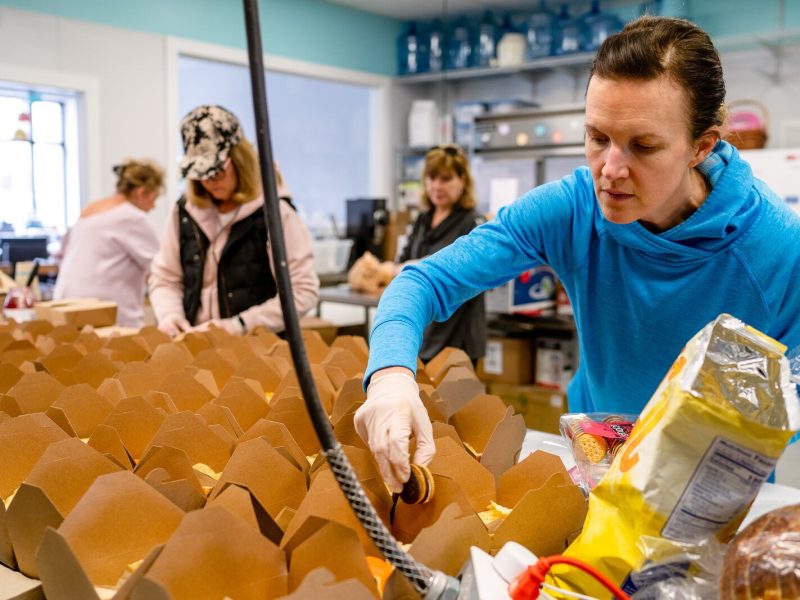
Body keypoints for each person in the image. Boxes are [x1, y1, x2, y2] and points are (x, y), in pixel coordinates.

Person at [355, 15, 800, 492]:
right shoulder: (572, 209)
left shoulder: (772, 244)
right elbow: (422, 282)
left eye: (643, 146)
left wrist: (726, 427)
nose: (609, 170)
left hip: (714, 488)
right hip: (597, 465)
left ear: (701, 146)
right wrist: (390, 377)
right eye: (597, 137)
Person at [149, 104, 319, 337]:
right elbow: (165, 278)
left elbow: (302, 292)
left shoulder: (276, 214)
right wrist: (170, 315)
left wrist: (240, 325)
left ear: (239, 160)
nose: (210, 182)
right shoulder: (183, 213)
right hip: (195, 347)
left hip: (260, 352)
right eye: (201, 176)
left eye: (217, 172)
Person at [396, 145, 486, 363]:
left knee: (454, 396)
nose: (436, 186)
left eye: (445, 179)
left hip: (457, 335)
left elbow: (465, 272)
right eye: (431, 178)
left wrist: (413, 267)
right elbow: (402, 260)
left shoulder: (473, 223)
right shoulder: (423, 219)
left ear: (462, 180)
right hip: (425, 329)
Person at [53, 159, 164, 329]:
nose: (154, 206)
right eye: (154, 198)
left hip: (66, 302)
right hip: (102, 312)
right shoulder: (133, 217)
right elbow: (162, 267)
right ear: (142, 193)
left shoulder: (91, 209)